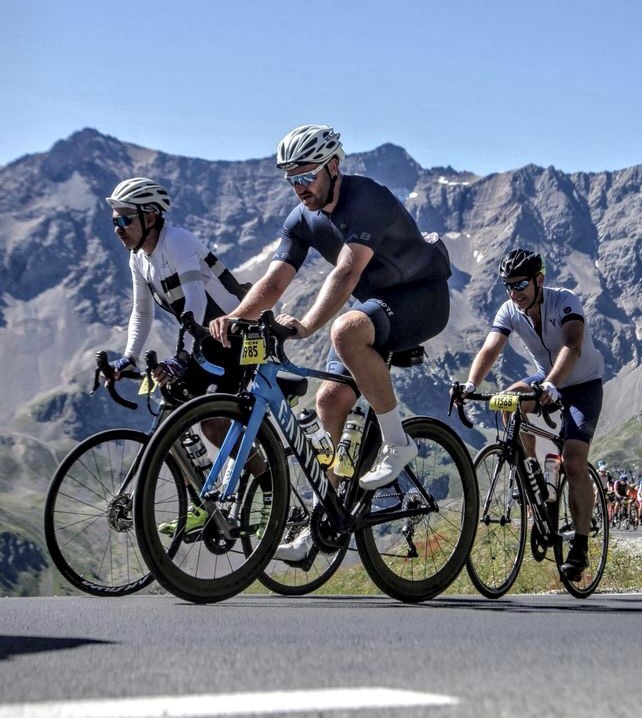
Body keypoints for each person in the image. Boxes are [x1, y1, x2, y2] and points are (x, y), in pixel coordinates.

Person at [209, 124, 451, 560]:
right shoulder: (300, 220)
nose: (299, 187)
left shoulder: (367, 198)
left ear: (333, 166)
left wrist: (303, 327)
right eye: (291, 179)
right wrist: (235, 316)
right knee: (329, 402)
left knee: (345, 330)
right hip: (376, 305)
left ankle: (399, 442)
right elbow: (275, 278)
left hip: (422, 297)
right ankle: (324, 522)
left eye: (306, 175)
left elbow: (345, 273)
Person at [105, 177, 249, 534]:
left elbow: (197, 301)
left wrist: (182, 357)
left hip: (235, 337)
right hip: (203, 338)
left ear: (150, 217)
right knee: (171, 420)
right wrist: (129, 359)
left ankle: (264, 486)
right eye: (114, 220)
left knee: (213, 424)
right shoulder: (139, 258)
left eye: (125, 219)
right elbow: (142, 313)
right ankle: (201, 501)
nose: (118, 228)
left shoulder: (178, 240)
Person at [455, 248, 604, 581]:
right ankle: (532, 472)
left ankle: (579, 547)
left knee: (574, 460)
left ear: (539, 280)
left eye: (520, 284)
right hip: (545, 380)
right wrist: (469, 384)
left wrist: (552, 384)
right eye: (508, 285)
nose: (514, 292)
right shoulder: (510, 310)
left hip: (582, 385)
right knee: (508, 401)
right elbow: (490, 349)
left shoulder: (565, 301)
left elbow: (572, 346)